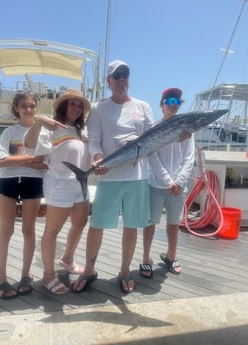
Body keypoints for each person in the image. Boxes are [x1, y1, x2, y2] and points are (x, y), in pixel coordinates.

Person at [71, 60, 154, 294]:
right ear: (108, 81)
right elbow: (95, 139)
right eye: (116, 76)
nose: (121, 79)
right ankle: (89, 270)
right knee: (97, 225)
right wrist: (97, 159)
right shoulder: (98, 108)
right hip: (108, 177)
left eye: (125, 74)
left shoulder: (143, 106)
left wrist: (176, 137)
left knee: (131, 226)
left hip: (137, 177)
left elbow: (153, 138)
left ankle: (125, 270)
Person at [24, 89, 91, 295]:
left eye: (79, 105)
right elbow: (29, 146)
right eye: (72, 104)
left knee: (80, 223)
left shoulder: (82, 132)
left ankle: (67, 259)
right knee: (52, 232)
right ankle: (48, 275)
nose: (76, 108)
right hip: (59, 184)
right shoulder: (51, 129)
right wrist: (39, 122)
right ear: (64, 106)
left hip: (81, 184)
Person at [0, 91, 47, 299]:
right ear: (16, 108)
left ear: (36, 108)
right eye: (23, 106)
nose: (28, 109)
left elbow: (45, 163)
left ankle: (26, 275)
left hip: (33, 182)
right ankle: (0, 279)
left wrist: (20, 159)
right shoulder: (9, 133)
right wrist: (31, 159)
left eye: (32, 105)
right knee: (6, 230)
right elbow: (0, 162)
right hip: (8, 181)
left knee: (28, 229)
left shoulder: (43, 133)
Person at [141, 88, 195, 278]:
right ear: (162, 104)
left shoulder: (187, 131)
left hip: (178, 187)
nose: (173, 104)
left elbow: (190, 158)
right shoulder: (154, 128)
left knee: (174, 222)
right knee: (150, 222)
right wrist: (168, 181)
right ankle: (146, 257)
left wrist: (179, 181)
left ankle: (172, 255)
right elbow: (151, 156)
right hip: (156, 184)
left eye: (178, 101)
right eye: (170, 100)